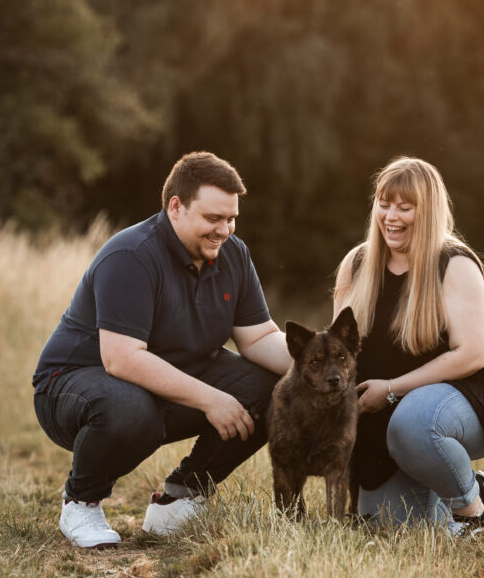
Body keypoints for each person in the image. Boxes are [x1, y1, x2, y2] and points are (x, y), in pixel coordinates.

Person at [33, 151, 291, 548]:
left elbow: (257, 338)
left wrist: (322, 367)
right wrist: (210, 399)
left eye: (231, 218)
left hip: (168, 377)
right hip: (73, 385)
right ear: (176, 207)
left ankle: (180, 498)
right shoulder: (132, 255)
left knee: (278, 389)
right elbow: (121, 358)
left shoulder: (234, 254)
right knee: (131, 410)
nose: (224, 230)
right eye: (212, 219)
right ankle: (81, 500)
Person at [333, 156, 484, 535]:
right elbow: (340, 356)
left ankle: (475, 509)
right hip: (382, 419)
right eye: (384, 204)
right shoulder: (355, 265)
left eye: (405, 208)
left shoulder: (454, 265)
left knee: (413, 423)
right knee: (391, 527)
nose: (391, 216)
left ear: (429, 211)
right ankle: (442, 483)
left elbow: (473, 354)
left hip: (459, 404)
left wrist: (391, 390)